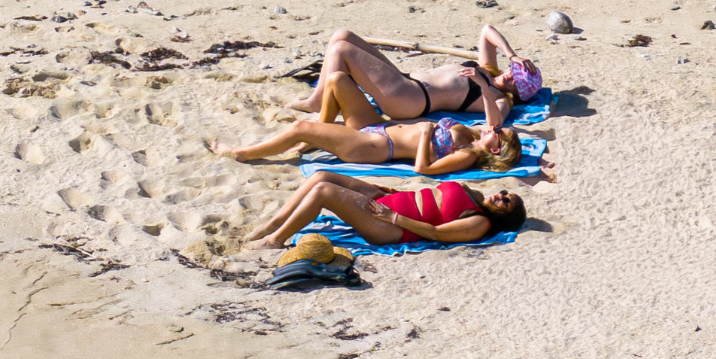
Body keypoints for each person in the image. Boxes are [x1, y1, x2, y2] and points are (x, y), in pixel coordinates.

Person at [289, 24, 542, 130]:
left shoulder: (501, 99)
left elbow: (494, 123)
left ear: (520, 92)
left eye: (517, 80)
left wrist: (481, 87)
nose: (511, 75)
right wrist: (512, 55)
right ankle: (317, 99)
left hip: (411, 98)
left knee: (341, 51)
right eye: (514, 71)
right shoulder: (488, 67)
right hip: (406, 79)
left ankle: (316, 104)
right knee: (342, 36)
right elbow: (487, 30)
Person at [240, 171, 527, 250]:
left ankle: (276, 239)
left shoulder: (478, 223)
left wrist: (394, 217)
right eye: (504, 192)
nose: (500, 195)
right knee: (320, 176)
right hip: (386, 201)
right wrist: (389, 194)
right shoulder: (475, 195)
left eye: (506, 201)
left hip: (391, 227)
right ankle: (275, 223)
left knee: (323, 192)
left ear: (504, 215)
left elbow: (437, 233)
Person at [209, 117, 523, 176]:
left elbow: (424, 169)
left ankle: (241, 154)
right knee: (336, 85)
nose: (495, 128)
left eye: (500, 133)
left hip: (375, 147)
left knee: (300, 127)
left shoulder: (467, 157)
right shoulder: (470, 137)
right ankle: (303, 143)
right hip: (379, 133)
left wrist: (426, 133)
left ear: (495, 150)